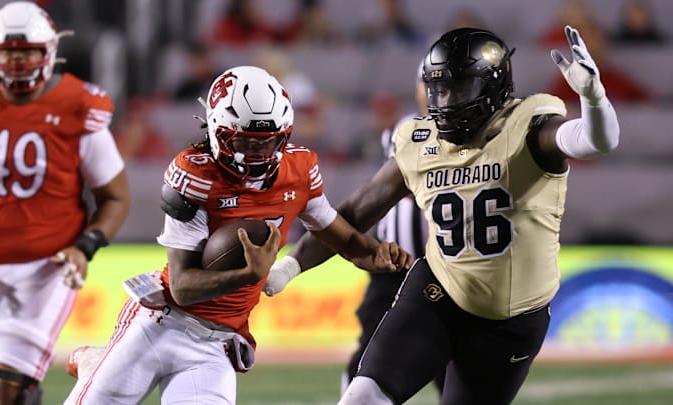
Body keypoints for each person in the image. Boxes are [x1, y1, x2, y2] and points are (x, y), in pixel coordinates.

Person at [264, 25, 620, 405]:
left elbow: (595, 140)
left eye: (460, 89)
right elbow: (352, 214)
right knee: (362, 398)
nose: (446, 102)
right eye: (439, 90)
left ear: (492, 88)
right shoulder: (421, 143)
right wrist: (289, 267)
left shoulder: (529, 130)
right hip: (438, 293)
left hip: (512, 318)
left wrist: (593, 98)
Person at [63, 65, 412, 405]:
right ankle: (103, 360)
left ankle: (102, 361)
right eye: (245, 141)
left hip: (216, 343)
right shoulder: (194, 173)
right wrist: (249, 275)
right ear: (217, 130)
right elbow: (183, 287)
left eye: (268, 142)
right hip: (160, 324)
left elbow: (335, 232)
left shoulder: (298, 169)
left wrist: (371, 251)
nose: (258, 154)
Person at [0, 2, 131, 405]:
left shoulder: (76, 105)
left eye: (29, 50)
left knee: (7, 387)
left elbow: (115, 195)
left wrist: (85, 246)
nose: (18, 61)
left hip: (45, 267)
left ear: (49, 51)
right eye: (8, 52)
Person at [340, 59, 444, 396]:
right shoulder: (406, 130)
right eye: (428, 86)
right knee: (368, 357)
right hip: (393, 266)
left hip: (447, 269)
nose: (435, 94)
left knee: (454, 361)